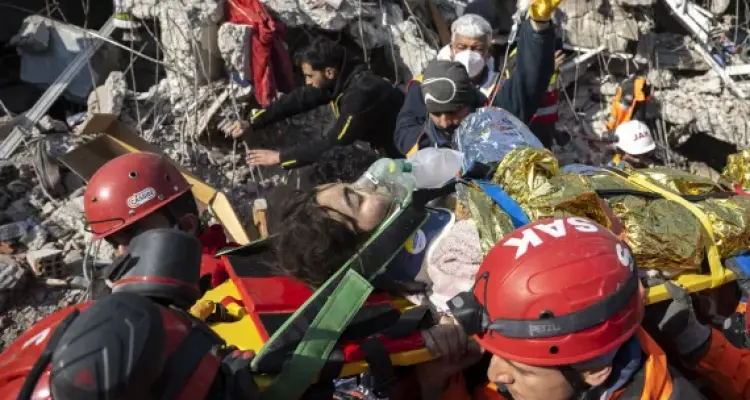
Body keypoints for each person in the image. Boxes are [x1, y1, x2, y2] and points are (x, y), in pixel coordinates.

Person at [419, 217, 704, 400]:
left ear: (596, 372)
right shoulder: (545, 383)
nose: (494, 374)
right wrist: (438, 383)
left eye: (522, 369)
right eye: (496, 354)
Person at [394, 0, 560, 157]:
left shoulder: (496, 90)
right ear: (451, 47)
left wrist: (538, 27)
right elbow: (405, 130)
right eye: (462, 47)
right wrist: (436, 144)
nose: (468, 54)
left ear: (488, 51)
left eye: (477, 48)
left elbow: (529, 81)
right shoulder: (425, 84)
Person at [231, 38, 405, 168]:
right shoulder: (342, 77)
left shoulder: (361, 93)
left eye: (310, 76)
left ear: (329, 72)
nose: (307, 82)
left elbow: (335, 142)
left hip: (405, 146)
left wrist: (280, 157)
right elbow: (299, 99)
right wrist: (254, 122)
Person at [83, 152, 234, 290]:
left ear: (186, 227)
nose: (123, 251)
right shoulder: (130, 292)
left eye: (135, 236)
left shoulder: (231, 274)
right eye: (114, 243)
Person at [502, 38, 566, 148]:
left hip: (544, 122)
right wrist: (547, 70)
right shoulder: (520, 57)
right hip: (529, 124)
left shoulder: (544, 53)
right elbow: (521, 88)